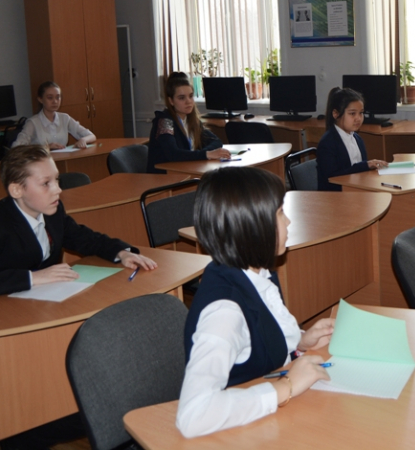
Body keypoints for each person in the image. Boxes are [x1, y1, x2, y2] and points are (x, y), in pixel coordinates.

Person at [176, 167, 334, 438]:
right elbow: (193, 415)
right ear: (251, 228)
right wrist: (286, 387)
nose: (288, 222)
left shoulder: (255, 273)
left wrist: (299, 342)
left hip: (268, 422)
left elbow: (259, 334)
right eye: (280, 213)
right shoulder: (224, 313)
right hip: (238, 433)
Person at [0, 144, 156, 301]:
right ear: (17, 190)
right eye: (46, 183)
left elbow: (84, 238)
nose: (58, 190)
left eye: (57, 180)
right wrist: (34, 277)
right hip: (4, 309)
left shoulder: (52, 212)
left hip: (47, 303)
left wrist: (121, 252)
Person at [147, 73, 229, 173]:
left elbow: (216, 141)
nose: (188, 101)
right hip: (165, 176)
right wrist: (206, 154)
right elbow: (173, 154)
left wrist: (206, 153)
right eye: (182, 98)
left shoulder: (191, 119)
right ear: (171, 101)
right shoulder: (165, 122)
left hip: (186, 170)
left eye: (190, 96)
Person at [315, 87, 388, 191]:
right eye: (352, 113)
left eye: (361, 113)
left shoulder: (357, 138)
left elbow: (362, 171)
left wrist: (372, 167)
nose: (358, 118)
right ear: (336, 114)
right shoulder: (327, 143)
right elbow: (333, 178)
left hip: (356, 189)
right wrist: (365, 165)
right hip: (336, 195)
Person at [12, 81, 96, 149]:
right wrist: (46, 147)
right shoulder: (33, 122)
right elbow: (16, 148)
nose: (55, 101)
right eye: (50, 98)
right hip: (41, 162)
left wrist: (83, 140)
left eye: (58, 97)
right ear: (40, 99)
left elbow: (91, 136)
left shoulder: (65, 118)